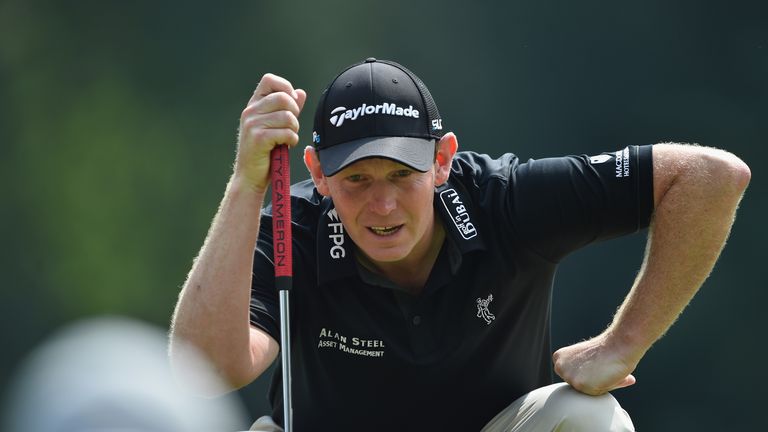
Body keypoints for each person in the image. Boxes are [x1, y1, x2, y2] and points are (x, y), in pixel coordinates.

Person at [169, 58, 751, 431]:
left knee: (589, 418)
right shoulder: (292, 225)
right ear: (318, 172)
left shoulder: (503, 200)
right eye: (356, 181)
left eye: (403, 175)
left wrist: (623, 344)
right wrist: (247, 183)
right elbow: (207, 370)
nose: (383, 205)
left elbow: (710, 177)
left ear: (443, 159)